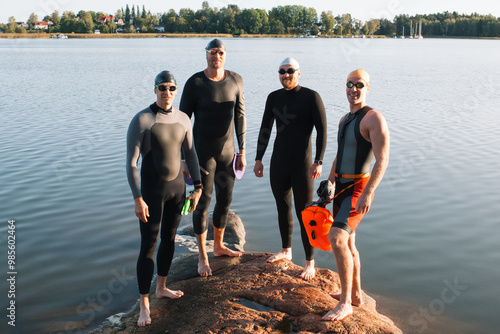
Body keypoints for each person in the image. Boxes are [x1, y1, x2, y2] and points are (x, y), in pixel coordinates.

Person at [126, 70, 203, 327]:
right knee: (148, 246)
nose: (167, 92)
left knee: (169, 239)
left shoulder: (183, 119)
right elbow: (132, 163)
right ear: (155, 89)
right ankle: (144, 305)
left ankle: (162, 287)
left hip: (178, 190)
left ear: (175, 90)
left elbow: (191, 156)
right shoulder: (143, 120)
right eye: (162, 88)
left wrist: (198, 187)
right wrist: (138, 198)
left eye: (171, 88)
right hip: (151, 192)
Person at [322, 69, 390, 321]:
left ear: (368, 88)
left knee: (337, 238)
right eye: (350, 84)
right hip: (340, 188)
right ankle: (356, 294)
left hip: (358, 189)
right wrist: (328, 185)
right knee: (349, 243)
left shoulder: (373, 118)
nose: (354, 89)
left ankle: (345, 304)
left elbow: (382, 160)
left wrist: (368, 193)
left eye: (359, 85)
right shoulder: (344, 119)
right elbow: (340, 156)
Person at [254, 57, 327, 280]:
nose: (286, 74)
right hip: (279, 162)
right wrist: (258, 158)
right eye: (282, 71)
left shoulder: (311, 97)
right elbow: (265, 128)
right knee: (282, 207)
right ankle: (286, 250)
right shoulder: (273, 97)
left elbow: (322, 130)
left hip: (303, 165)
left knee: (306, 213)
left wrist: (319, 161)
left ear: (298, 73)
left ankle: (309, 262)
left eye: (290, 71)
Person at [179, 39, 246, 277]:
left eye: (220, 52)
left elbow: (240, 117)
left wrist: (243, 151)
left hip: (228, 154)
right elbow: (182, 123)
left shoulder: (236, 80)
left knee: (225, 200)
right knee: (203, 201)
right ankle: (202, 256)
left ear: (225, 55)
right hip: (202, 154)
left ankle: (218, 246)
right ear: (206, 54)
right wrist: (184, 158)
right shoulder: (195, 83)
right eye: (212, 52)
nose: (216, 56)